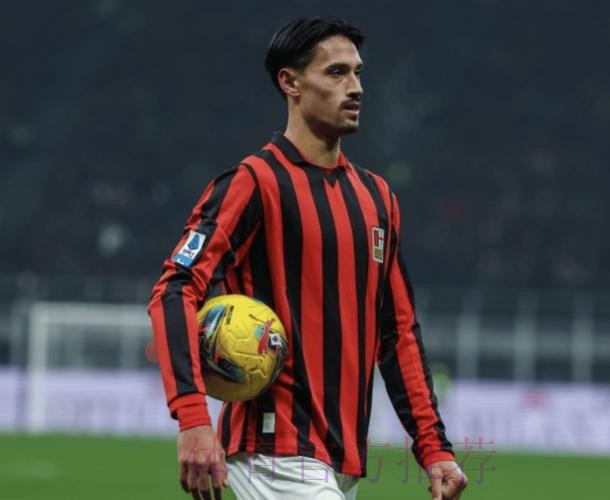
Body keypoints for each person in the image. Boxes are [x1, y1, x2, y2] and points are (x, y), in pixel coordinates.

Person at [148, 17, 467, 500]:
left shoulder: (377, 198)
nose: (355, 87)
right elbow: (175, 288)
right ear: (290, 82)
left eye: (358, 73)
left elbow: (397, 331)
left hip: (343, 457)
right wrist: (193, 417)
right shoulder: (253, 182)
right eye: (336, 73)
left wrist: (434, 447)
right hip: (274, 445)